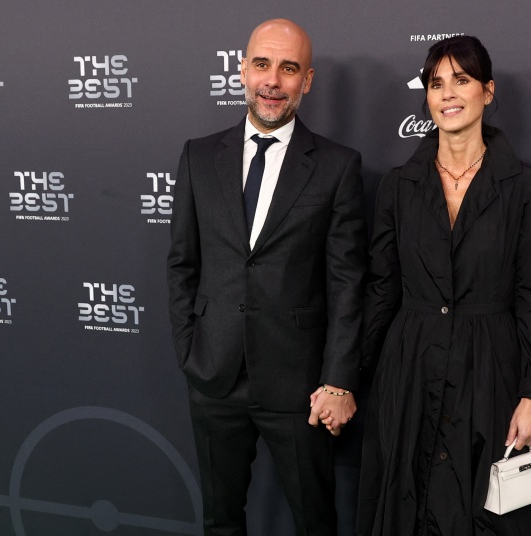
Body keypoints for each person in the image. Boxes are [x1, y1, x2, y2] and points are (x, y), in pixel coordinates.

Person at [167, 18, 367, 536]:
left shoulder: (337, 166)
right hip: (214, 375)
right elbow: (183, 263)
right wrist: (191, 351)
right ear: (242, 71)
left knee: (316, 522)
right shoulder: (198, 156)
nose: (272, 81)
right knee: (220, 521)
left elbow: (347, 283)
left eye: (288, 68)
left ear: (308, 80)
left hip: (299, 385)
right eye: (261, 64)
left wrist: (337, 380)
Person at [356, 36, 531, 535]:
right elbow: (382, 290)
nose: (447, 93)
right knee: (406, 504)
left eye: (461, 80)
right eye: (436, 84)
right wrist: (347, 377)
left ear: (487, 92)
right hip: (410, 367)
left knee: (488, 512)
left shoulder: (524, 185)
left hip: (490, 367)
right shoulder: (398, 185)